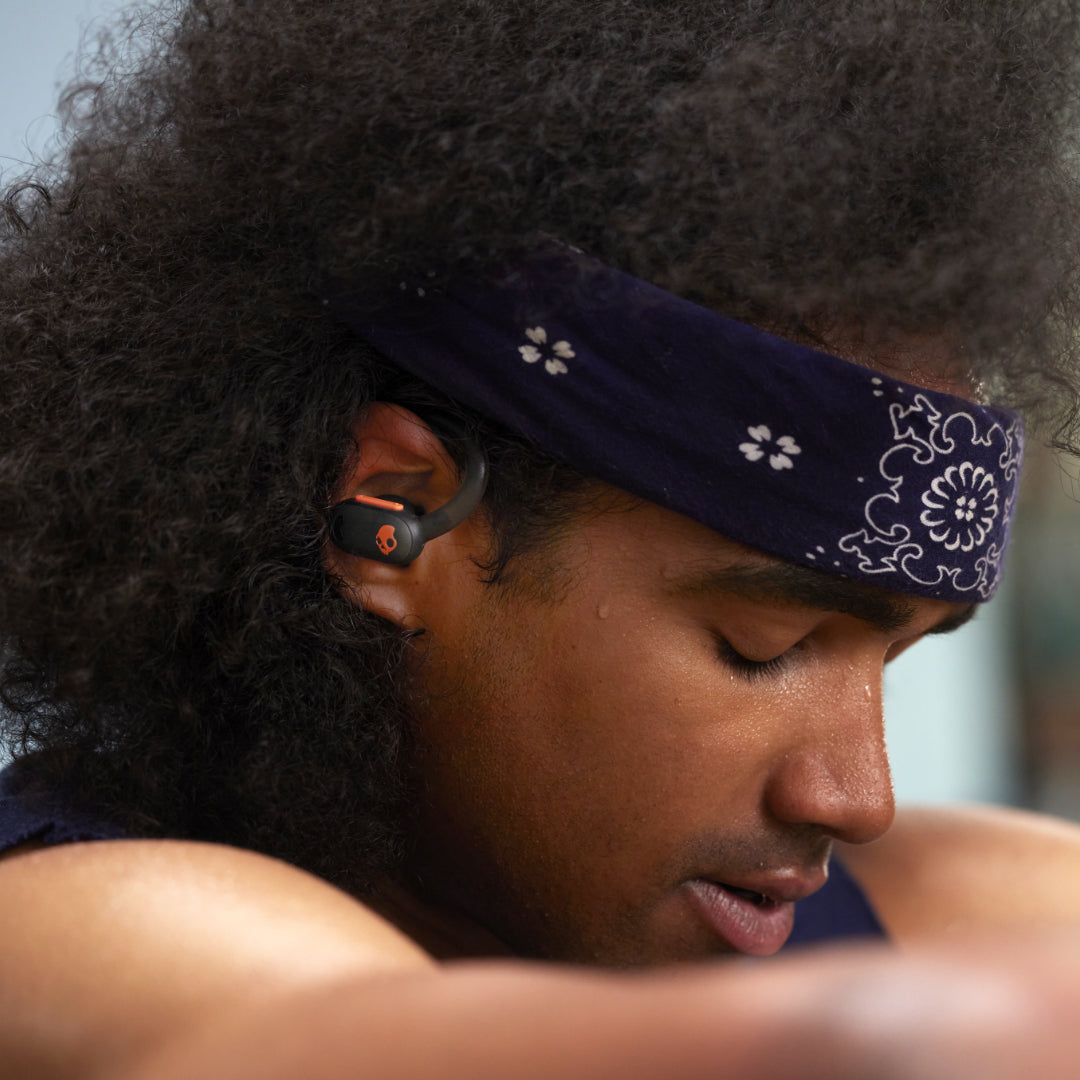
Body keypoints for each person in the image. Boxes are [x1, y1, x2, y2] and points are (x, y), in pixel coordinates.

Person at [3, 0, 1080, 1076]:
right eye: (763, 647)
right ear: (395, 516)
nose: (858, 796)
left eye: (894, 660)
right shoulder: (72, 935)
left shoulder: (960, 917)